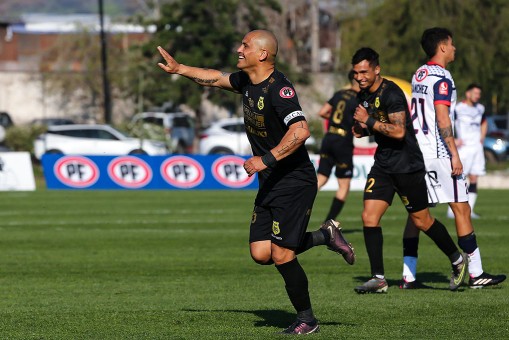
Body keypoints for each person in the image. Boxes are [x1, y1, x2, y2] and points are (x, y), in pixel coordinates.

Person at [157, 30, 355, 334]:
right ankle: (325, 236)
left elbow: (301, 131)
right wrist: (180, 69)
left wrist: (266, 159)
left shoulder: (280, 90)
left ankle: (307, 319)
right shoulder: (248, 81)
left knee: (282, 255)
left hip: (294, 181)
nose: (239, 49)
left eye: (245, 46)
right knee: (261, 252)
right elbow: (215, 77)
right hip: (271, 181)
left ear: (262, 54)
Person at [350, 47, 468, 294]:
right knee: (368, 217)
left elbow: (399, 131)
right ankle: (379, 278)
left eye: (364, 71)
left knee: (421, 220)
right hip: (383, 164)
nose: (359, 76)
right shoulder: (364, 95)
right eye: (356, 72)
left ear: (376, 69)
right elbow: (379, 127)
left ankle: (457, 260)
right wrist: (365, 130)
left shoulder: (391, 92)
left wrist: (369, 122)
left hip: (406, 165)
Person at [401, 27, 505, 289]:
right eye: (452, 43)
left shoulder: (419, 74)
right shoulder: (443, 77)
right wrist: (454, 154)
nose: (455, 48)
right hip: (439, 153)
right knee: (462, 207)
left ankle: (408, 274)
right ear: (443, 47)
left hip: (418, 152)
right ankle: (476, 273)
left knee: (417, 213)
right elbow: (443, 117)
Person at [316, 70, 360, 222]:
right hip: (343, 141)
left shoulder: (339, 93)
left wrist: (336, 121)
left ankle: (296, 207)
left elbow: (322, 112)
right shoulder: (360, 98)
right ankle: (329, 222)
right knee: (344, 185)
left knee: (321, 178)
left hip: (329, 137)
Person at [446, 83, 487, 219]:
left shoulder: (480, 108)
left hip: (476, 148)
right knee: (459, 178)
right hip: (463, 149)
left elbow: (484, 122)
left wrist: (482, 137)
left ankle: (470, 210)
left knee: (474, 177)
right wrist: (454, 139)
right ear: (468, 93)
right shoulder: (458, 108)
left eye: (479, 94)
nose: (477, 96)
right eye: (475, 93)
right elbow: (447, 122)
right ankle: (452, 211)